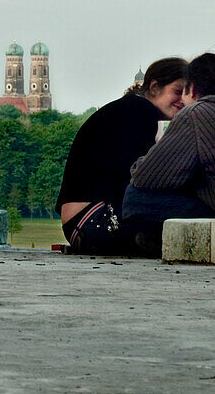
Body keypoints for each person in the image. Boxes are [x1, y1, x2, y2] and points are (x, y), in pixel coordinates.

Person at [121, 52, 215, 255]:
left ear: (192, 89)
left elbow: (143, 177)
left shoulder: (198, 113)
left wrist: (160, 146)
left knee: (136, 197)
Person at [56, 57, 187, 253]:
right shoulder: (141, 112)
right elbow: (141, 177)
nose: (182, 101)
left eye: (187, 94)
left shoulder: (128, 109)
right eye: (177, 91)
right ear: (154, 87)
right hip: (92, 219)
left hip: (80, 221)